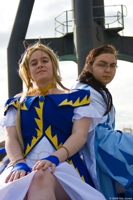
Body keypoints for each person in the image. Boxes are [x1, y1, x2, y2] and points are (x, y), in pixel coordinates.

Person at [0, 40, 106, 200]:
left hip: (64, 166)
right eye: (34, 63)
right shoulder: (16, 102)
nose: (40, 65)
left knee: (41, 176)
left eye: (44, 60)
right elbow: (11, 137)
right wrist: (18, 163)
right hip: (22, 165)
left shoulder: (77, 98)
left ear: (53, 65)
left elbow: (80, 135)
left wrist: (54, 158)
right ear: (28, 71)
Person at [73, 44, 133, 199]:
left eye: (113, 66)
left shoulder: (97, 90)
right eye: (102, 65)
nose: (108, 70)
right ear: (89, 66)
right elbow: (98, 136)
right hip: (93, 160)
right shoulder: (84, 92)